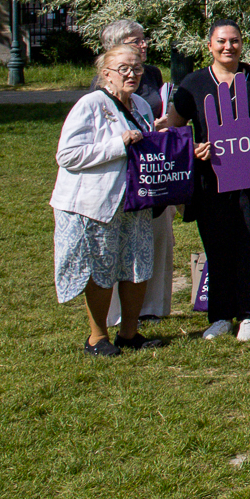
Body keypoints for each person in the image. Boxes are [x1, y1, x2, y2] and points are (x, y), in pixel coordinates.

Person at [164, 20, 250, 341]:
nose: (228, 47)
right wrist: (192, 148)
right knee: (218, 247)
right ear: (210, 45)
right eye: (221, 41)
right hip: (211, 180)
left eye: (235, 41)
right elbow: (173, 127)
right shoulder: (194, 83)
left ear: (243, 44)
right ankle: (220, 317)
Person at [53, 42, 164, 355]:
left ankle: (130, 333)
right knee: (101, 268)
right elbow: (67, 155)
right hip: (95, 204)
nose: (132, 74)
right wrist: (118, 144)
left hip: (135, 201)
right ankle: (97, 337)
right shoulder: (90, 104)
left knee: (137, 265)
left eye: (137, 68)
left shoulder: (141, 105)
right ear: (106, 74)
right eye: (124, 69)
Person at [90, 20, 175, 320]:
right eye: (134, 40)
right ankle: (113, 316)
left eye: (143, 39)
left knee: (154, 241)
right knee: (114, 250)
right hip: (117, 181)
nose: (143, 45)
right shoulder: (98, 94)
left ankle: (151, 309)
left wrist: (158, 127)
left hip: (150, 173)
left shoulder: (150, 75)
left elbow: (147, 114)